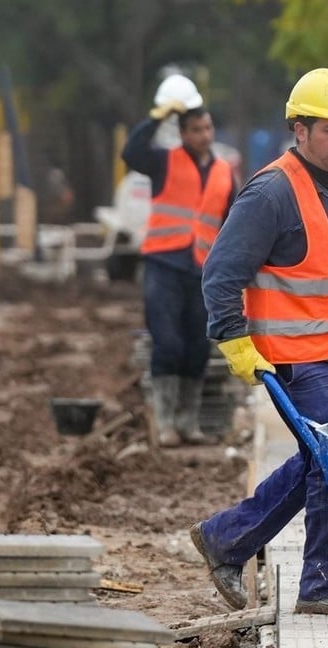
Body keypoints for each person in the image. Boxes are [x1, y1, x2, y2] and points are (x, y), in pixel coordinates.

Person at [189, 68, 328, 616]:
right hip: (291, 358)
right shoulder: (271, 191)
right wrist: (234, 341)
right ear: (299, 129)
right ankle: (325, 583)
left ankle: (227, 538)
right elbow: (220, 273)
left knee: (323, 457)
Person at [122, 75, 236, 448]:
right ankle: (166, 422)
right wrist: (158, 117)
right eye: (195, 129)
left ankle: (188, 424)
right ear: (182, 133)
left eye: (207, 128)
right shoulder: (163, 161)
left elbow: (234, 222)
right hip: (164, 264)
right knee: (167, 343)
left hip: (203, 270)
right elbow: (131, 152)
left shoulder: (224, 173)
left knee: (197, 346)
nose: (204, 135)